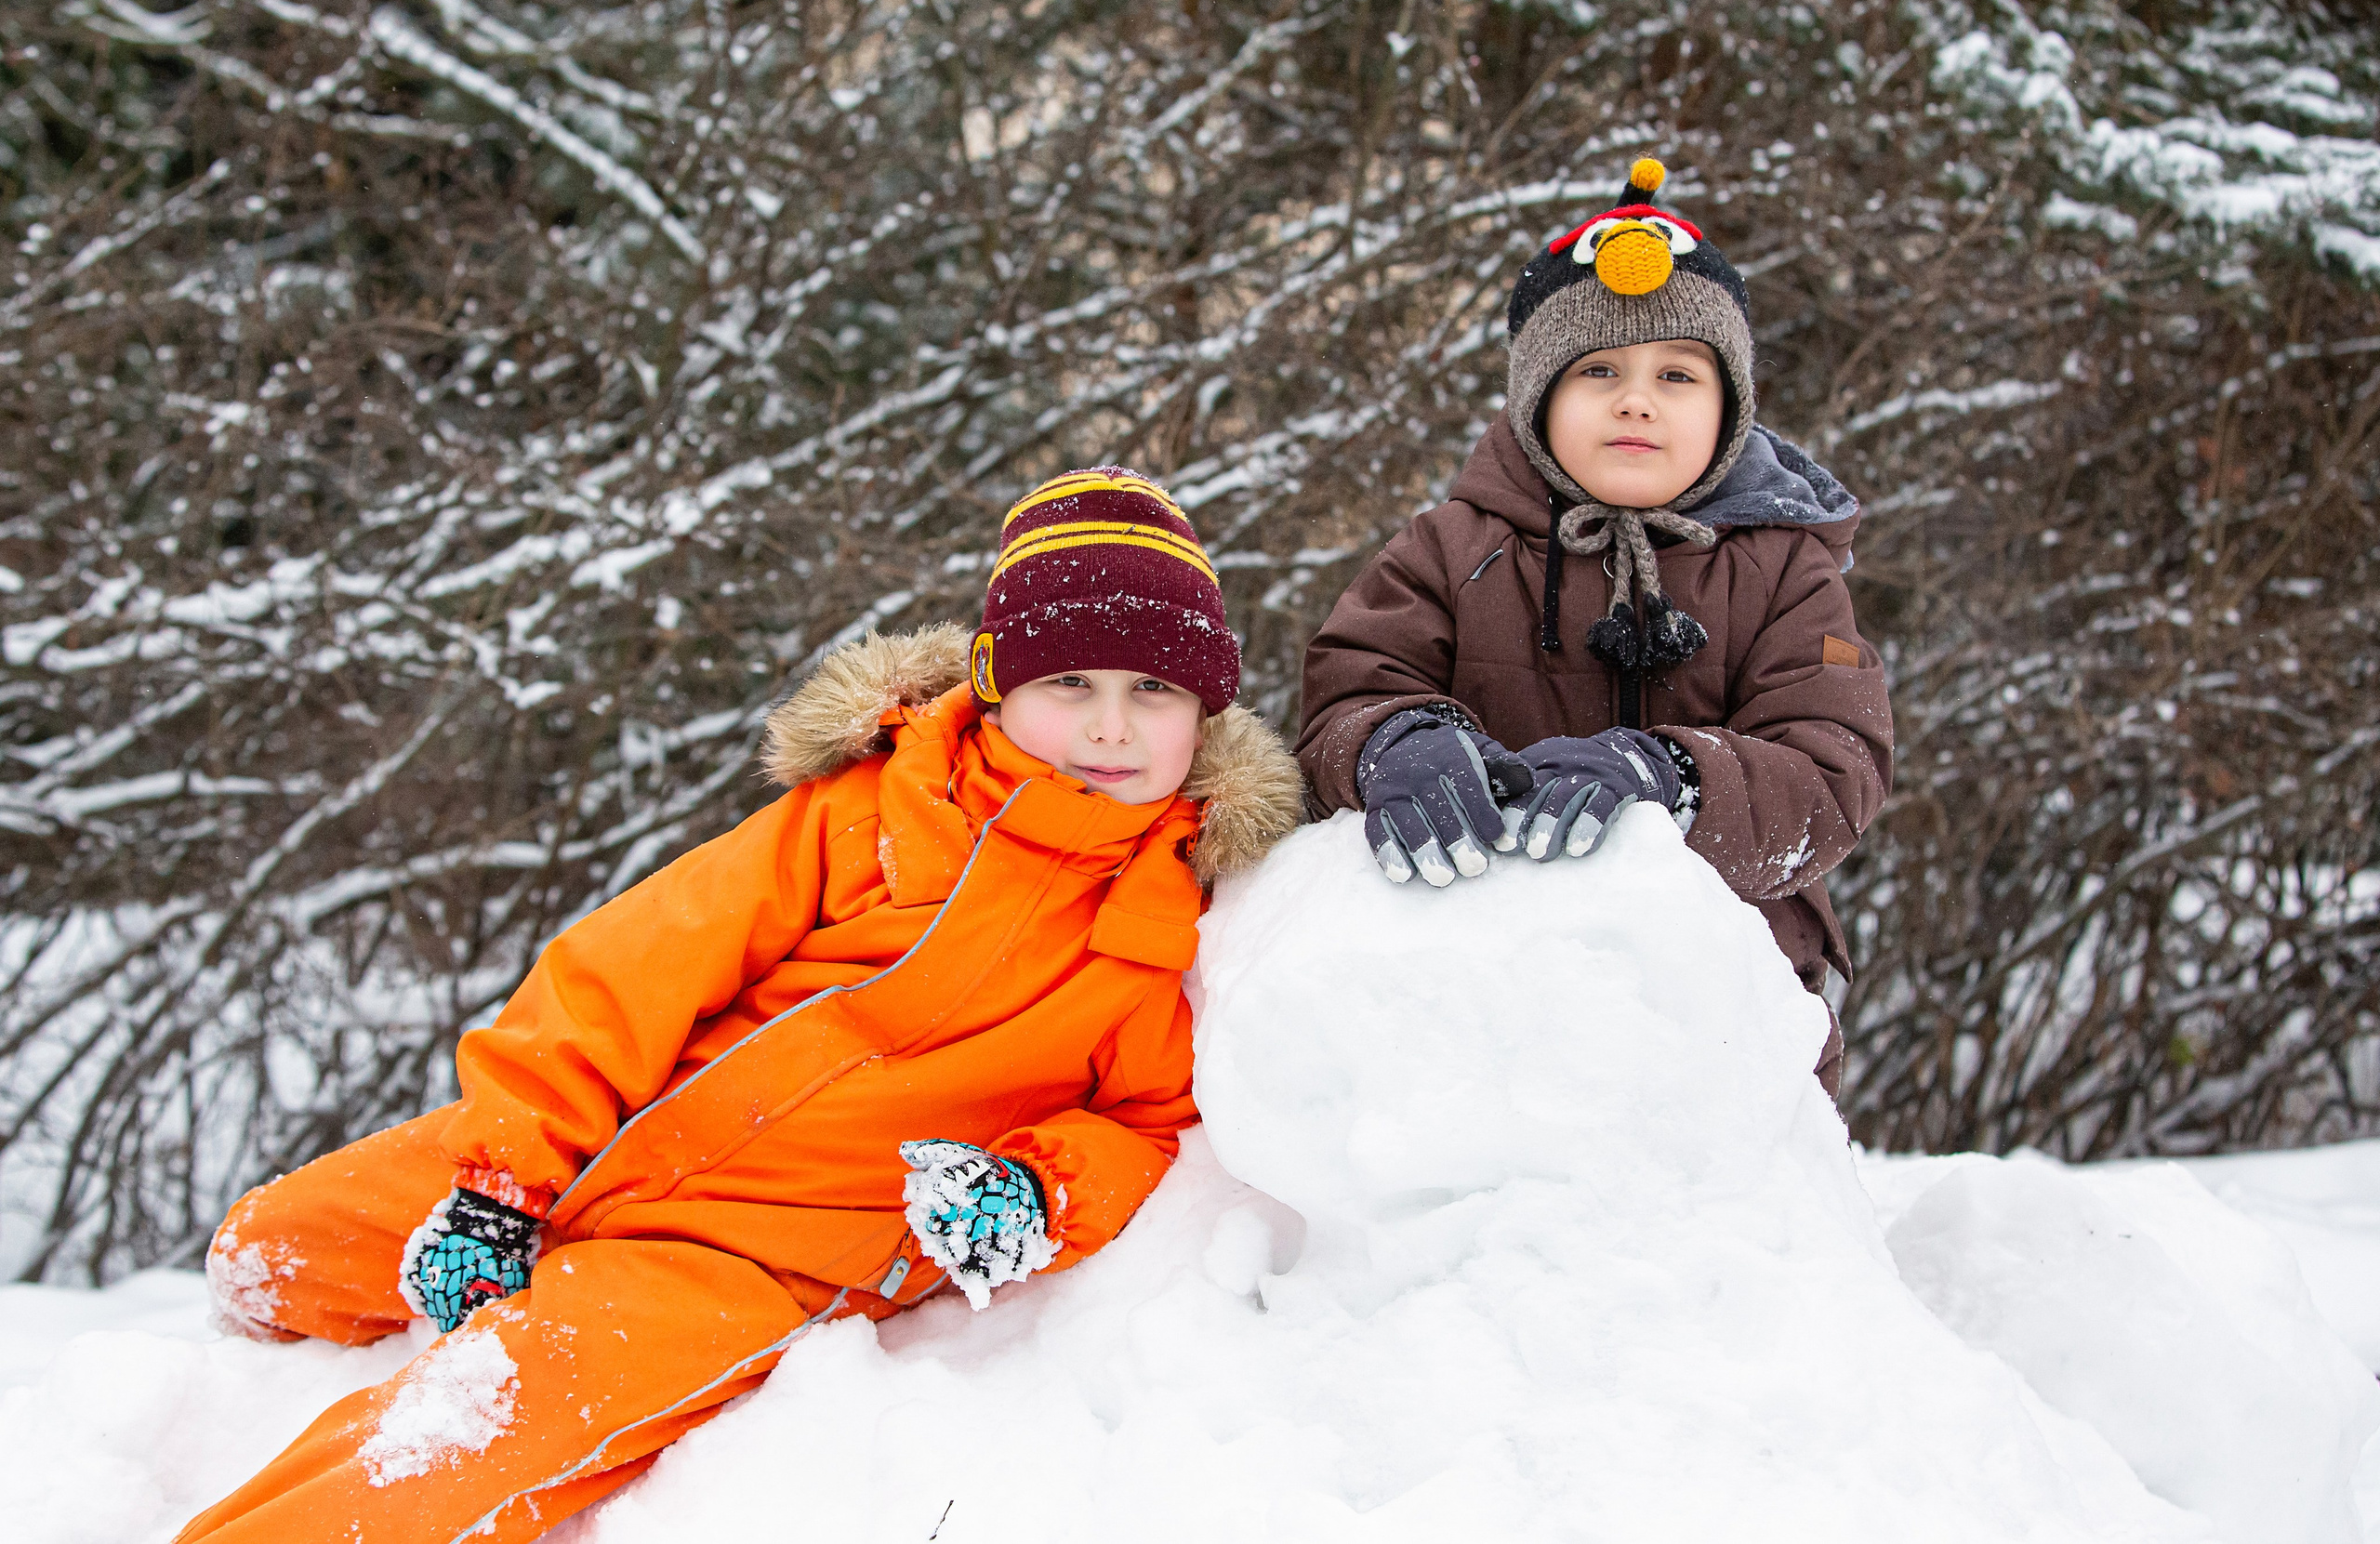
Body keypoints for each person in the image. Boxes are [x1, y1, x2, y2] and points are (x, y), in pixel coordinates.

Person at [183, 468, 1302, 1544]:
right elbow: (625, 972)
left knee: (484, 1421)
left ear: (1200, 716)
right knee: (264, 1252)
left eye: (1150, 691)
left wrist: (1036, 1189)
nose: (1110, 729)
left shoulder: (1154, 930)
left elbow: (1148, 1128)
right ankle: (412, 1251)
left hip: (749, 1264)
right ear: (1000, 684)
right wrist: (498, 1184)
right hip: (596, 1146)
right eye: (1071, 685)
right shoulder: (864, 813)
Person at [1297, 158, 1894, 1095]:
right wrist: (1394, 742)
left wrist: (1675, 779)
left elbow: (1832, 774)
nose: (1636, 399)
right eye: (1599, 370)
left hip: (1721, 1019)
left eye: (1677, 374)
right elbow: (1350, 687)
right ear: (1538, 399)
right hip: (1480, 1006)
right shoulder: (1452, 548)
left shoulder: (1788, 571)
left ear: (1729, 405)